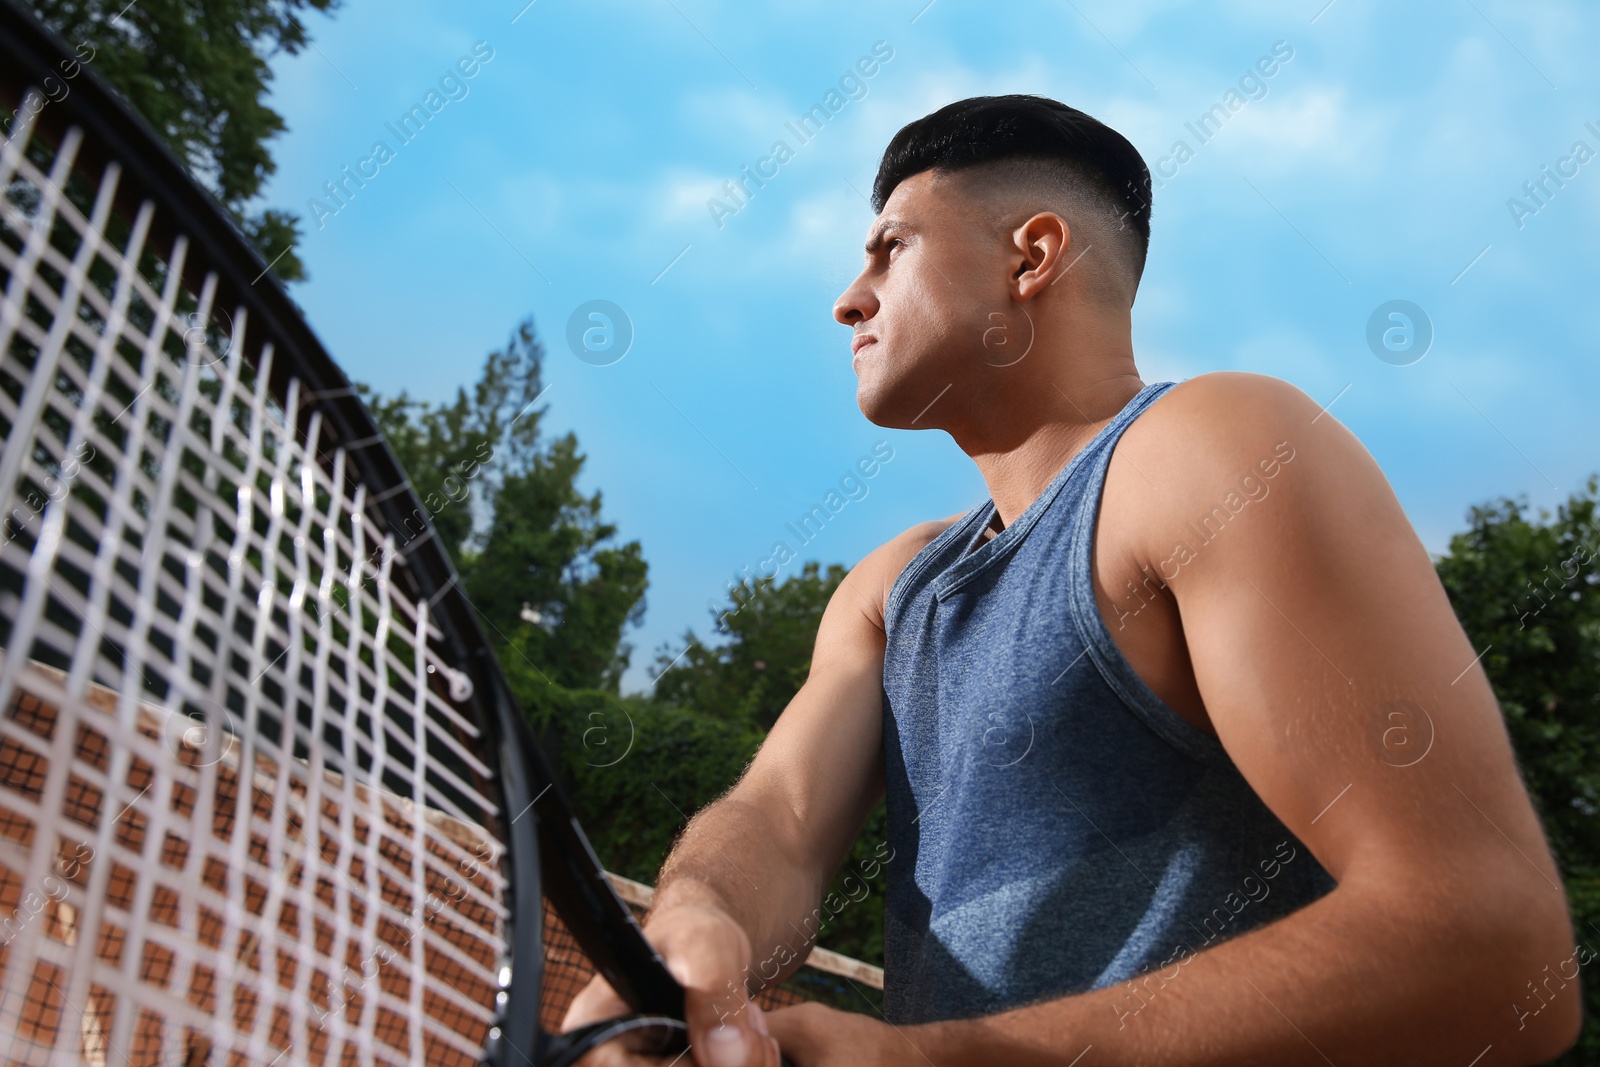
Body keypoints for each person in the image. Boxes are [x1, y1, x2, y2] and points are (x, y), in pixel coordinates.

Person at [563, 94, 1583, 1066]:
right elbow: (780, 815)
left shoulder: (1215, 448)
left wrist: (946, 1058)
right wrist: (696, 914)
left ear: (1032, 254)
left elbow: (1492, 945)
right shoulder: (893, 585)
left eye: (890, 247)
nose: (847, 297)